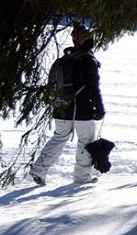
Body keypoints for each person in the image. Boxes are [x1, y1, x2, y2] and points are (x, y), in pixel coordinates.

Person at [30, 23, 106, 187]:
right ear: (86, 40)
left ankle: (38, 170)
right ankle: (81, 178)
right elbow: (93, 88)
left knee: (59, 138)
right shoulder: (88, 61)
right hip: (82, 110)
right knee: (86, 142)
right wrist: (99, 109)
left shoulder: (66, 59)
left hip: (62, 108)